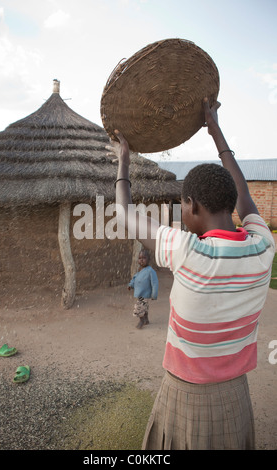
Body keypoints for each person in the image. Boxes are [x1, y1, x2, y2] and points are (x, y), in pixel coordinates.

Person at [106, 97, 275, 450]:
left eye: (182, 204)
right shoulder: (263, 246)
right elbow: (244, 195)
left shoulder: (188, 251)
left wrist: (123, 161)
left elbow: (124, 213)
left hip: (186, 394)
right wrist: (217, 133)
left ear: (192, 206)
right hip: (236, 396)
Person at [128, 249, 158, 329]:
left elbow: (155, 283)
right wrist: (131, 285)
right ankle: (146, 320)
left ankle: (141, 321)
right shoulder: (139, 270)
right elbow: (135, 278)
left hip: (145, 294)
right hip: (140, 293)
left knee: (139, 308)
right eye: (140, 258)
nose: (141, 260)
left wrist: (154, 295)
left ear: (149, 259)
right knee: (144, 307)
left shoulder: (151, 271)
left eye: (144, 258)